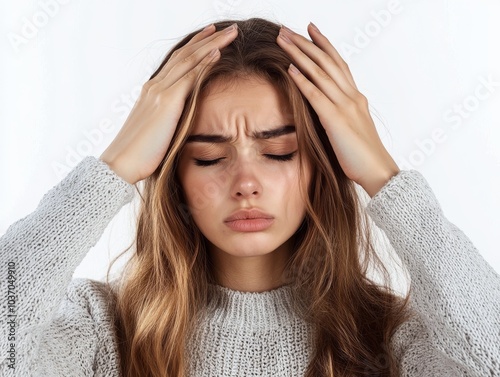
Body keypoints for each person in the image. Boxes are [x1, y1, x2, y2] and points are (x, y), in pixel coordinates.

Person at [0, 17, 499, 377]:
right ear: (173, 178)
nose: (245, 182)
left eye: (280, 152)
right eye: (209, 158)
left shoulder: (393, 346)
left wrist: (384, 178)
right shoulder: (99, 336)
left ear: (320, 171)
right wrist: (115, 168)